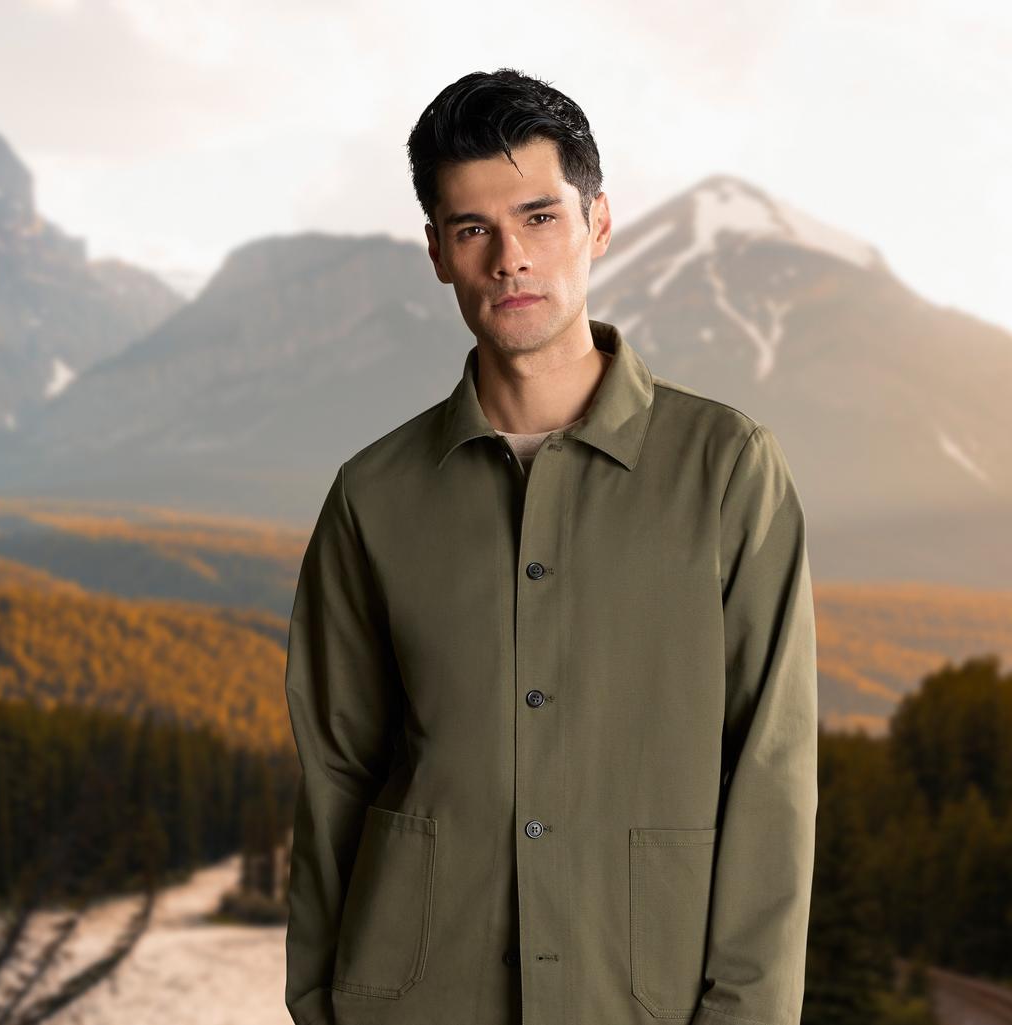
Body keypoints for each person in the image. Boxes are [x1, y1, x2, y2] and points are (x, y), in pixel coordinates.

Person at [283, 67, 818, 1025]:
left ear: (598, 224)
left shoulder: (727, 468)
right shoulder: (374, 495)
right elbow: (333, 773)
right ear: (438, 255)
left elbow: (772, 773)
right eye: (472, 229)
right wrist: (317, 1003)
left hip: (639, 999)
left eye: (539, 217)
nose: (510, 259)